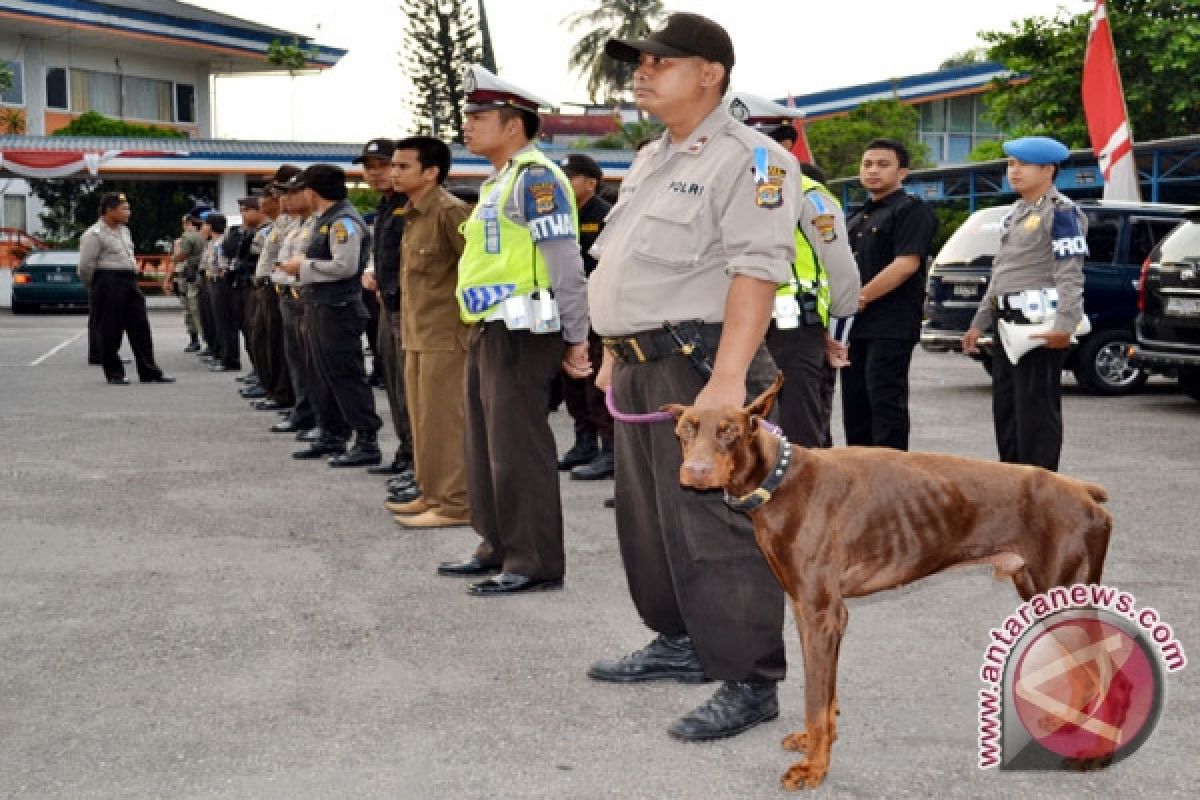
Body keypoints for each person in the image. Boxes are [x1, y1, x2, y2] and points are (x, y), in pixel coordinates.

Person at [587, 14, 796, 742]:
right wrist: (613, 351)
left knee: (720, 525)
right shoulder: (653, 156)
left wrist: (730, 382)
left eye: (661, 61)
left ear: (709, 72)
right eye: (639, 62)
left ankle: (748, 680)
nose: (642, 71)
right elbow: (624, 263)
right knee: (649, 519)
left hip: (706, 364)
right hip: (647, 367)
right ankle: (678, 641)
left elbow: (755, 272)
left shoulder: (752, 159)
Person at [435, 65, 591, 596]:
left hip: (525, 332)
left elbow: (566, 262)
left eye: (479, 117)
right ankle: (496, 544)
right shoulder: (499, 180)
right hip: (489, 328)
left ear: (513, 126)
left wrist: (577, 336)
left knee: (518, 446)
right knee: (484, 444)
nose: (468, 126)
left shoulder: (538, 179)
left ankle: (535, 559)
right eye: (468, 116)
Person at [729, 92, 860, 449]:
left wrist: (837, 335)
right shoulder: (724, 192)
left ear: (787, 144)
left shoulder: (808, 194)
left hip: (791, 334)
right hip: (731, 330)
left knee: (797, 439)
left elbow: (841, 271)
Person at [963, 136, 1086, 471]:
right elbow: (1002, 273)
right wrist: (979, 323)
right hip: (1006, 325)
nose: (1013, 171)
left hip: (1038, 327)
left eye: (1021, 164)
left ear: (1048, 169)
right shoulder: (1016, 212)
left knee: (1036, 414)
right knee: (1007, 411)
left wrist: (1065, 326)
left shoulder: (1061, 213)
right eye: (1010, 164)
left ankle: (1039, 491)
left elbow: (1070, 274)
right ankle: (1012, 484)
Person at [383, 135, 472, 528]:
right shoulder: (414, 212)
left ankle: (455, 504)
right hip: (417, 332)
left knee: (444, 422)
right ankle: (431, 492)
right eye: (394, 165)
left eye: (404, 166)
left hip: (446, 336)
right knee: (421, 420)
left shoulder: (450, 213)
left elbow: (473, 272)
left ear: (431, 172)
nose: (394, 172)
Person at [278, 164, 383, 468]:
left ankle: (366, 440)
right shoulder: (326, 219)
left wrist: (303, 267)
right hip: (321, 306)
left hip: (339, 309)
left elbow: (345, 266)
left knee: (346, 376)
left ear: (312, 191)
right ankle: (332, 433)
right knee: (323, 375)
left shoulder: (343, 221)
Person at [842, 138, 938, 450]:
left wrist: (860, 298)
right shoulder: (856, 217)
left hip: (890, 325)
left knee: (885, 404)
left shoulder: (911, 211)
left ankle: (892, 483)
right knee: (855, 408)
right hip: (854, 327)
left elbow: (906, 264)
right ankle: (857, 478)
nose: (873, 171)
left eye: (883, 165)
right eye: (867, 164)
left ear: (903, 173)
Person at [552, 152, 616, 481]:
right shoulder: (561, 215)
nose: (564, 183)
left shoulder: (603, 215)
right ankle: (584, 442)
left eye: (571, 177)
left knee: (594, 380)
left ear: (590, 183)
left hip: (595, 309)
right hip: (568, 308)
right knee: (572, 381)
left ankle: (610, 450)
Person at [355, 138, 416, 478]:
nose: (376, 174)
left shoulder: (413, 204)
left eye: (384, 165)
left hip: (411, 307)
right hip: (388, 304)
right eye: (370, 167)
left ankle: (420, 462)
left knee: (413, 390)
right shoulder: (385, 205)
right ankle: (406, 452)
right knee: (394, 383)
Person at [78, 192, 174, 385]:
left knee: (141, 327)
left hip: (129, 280)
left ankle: (149, 371)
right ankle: (114, 373)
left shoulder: (125, 231)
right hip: (108, 281)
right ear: (110, 210)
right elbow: (85, 267)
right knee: (110, 330)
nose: (128, 212)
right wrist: (96, 286)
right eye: (124, 208)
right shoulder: (93, 234)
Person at [248, 182, 295, 413]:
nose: (262, 201)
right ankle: (273, 388)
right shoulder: (281, 223)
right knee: (263, 341)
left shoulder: (294, 223)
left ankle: (284, 394)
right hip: (268, 286)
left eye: (272, 195)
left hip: (282, 287)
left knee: (278, 345)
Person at [169, 210, 208, 353]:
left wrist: (175, 259)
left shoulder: (190, 238)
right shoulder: (185, 239)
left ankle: (198, 340)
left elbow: (179, 258)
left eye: (186, 223)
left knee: (192, 308)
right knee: (191, 309)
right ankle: (196, 339)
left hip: (190, 275)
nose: (184, 226)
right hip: (186, 275)